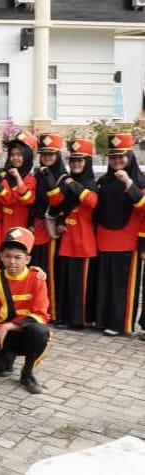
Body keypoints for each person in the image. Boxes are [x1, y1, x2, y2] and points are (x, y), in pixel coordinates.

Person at [0, 227, 51, 394]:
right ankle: (5, 363)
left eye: (18, 257)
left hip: (24, 332)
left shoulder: (37, 279)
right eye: (7, 256)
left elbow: (41, 315)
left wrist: (9, 326)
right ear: (1, 257)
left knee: (41, 332)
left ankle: (27, 375)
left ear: (27, 259)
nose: (12, 261)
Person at [93, 133, 145, 336]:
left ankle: (119, 324)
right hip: (104, 240)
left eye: (120, 157)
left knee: (122, 287)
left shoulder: (139, 182)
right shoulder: (104, 181)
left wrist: (128, 184)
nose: (116, 161)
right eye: (112, 157)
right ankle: (102, 320)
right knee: (104, 285)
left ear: (130, 157)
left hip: (127, 241)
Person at [48, 138, 97, 329]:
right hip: (67, 238)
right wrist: (60, 221)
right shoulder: (66, 181)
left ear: (87, 162)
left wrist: (73, 185)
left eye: (80, 160)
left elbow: (91, 202)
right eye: (73, 160)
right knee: (66, 281)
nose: (75, 163)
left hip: (83, 241)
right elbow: (58, 205)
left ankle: (79, 320)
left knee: (80, 284)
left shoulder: (91, 183)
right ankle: (65, 316)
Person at [31, 133, 67, 276]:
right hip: (37, 227)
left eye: (50, 154)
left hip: (52, 227)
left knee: (50, 268)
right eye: (44, 154)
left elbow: (58, 202)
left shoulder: (63, 177)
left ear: (57, 155)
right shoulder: (37, 175)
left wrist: (49, 177)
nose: (46, 157)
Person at [0, 132, 38, 241]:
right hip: (3, 225)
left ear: (26, 156)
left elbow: (28, 199)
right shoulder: (3, 175)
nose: (15, 158)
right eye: (12, 155)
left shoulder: (30, 179)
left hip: (21, 225)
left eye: (19, 154)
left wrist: (17, 178)